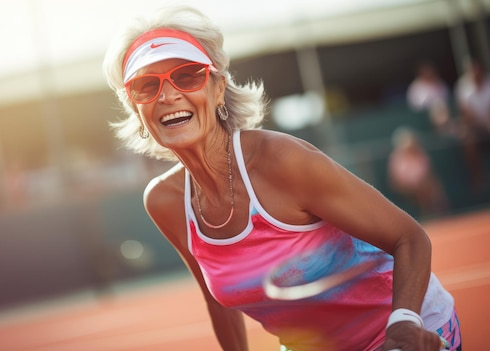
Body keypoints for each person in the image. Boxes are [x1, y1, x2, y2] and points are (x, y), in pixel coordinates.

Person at [103, 6, 461, 351]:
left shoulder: (281, 161)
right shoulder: (164, 201)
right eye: (145, 86)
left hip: (404, 333)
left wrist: (404, 323)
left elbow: (409, 238)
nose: (166, 95)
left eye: (186, 75)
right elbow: (218, 302)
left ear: (217, 89)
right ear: (136, 108)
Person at [387, 127, 448, 217]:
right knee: (422, 189)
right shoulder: (397, 158)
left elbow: (427, 171)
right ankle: (427, 214)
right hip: (405, 187)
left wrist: (421, 181)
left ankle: (441, 213)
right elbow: (397, 180)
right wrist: (414, 183)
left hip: (422, 184)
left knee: (434, 184)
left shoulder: (419, 153)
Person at [455, 57, 490, 187]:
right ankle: (477, 177)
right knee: (468, 140)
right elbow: (466, 114)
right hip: (475, 127)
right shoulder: (463, 88)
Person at [406, 61, 451, 131]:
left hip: (443, 113)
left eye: (431, 72)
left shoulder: (440, 83)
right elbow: (416, 106)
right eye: (426, 72)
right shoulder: (415, 87)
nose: (429, 74)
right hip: (424, 118)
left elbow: (446, 99)